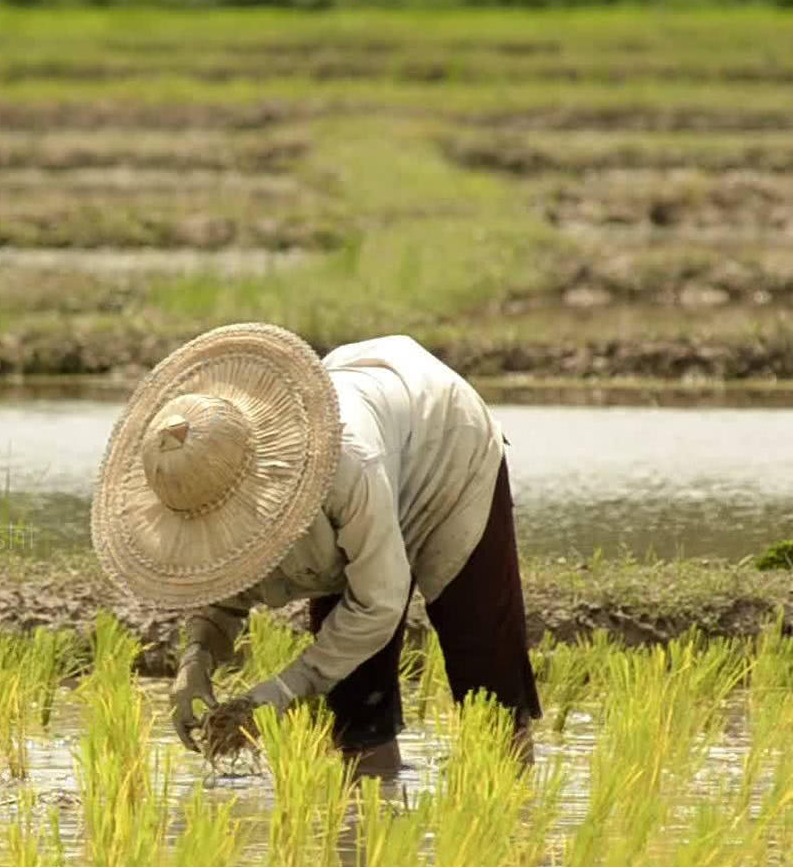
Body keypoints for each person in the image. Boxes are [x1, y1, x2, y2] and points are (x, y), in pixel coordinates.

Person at [90, 322, 540, 774]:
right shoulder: (206, 484)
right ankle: (364, 820)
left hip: (443, 441)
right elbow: (223, 578)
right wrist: (197, 658)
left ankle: (513, 803)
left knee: (488, 675)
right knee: (354, 705)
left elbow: (379, 603)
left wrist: (286, 689)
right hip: (378, 445)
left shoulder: (338, 465)